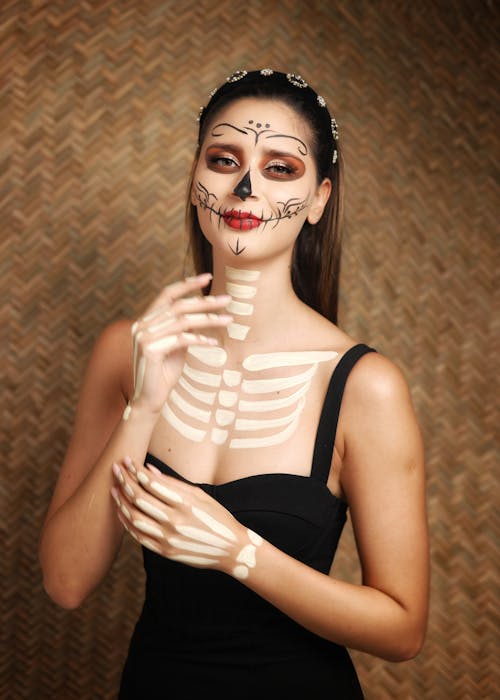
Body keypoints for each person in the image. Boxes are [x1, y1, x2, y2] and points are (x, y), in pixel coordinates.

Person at [39, 69, 429, 698]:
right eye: (224, 159)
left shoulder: (363, 386)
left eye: (280, 168)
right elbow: (66, 582)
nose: (244, 187)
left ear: (321, 199)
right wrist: (142, 407)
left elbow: (403, 629)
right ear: (196, 180)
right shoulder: (128, 349)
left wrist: (240, 552)